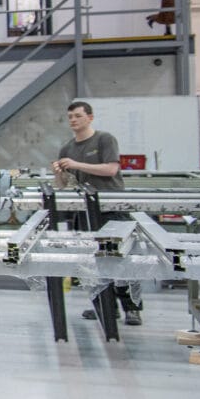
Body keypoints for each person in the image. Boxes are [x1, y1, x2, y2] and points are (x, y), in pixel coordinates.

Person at [52, 101, 141, 326]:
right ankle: (104, 306)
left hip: (112, 207)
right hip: (87, 210)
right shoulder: (67, 148)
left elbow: (111, 169)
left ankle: (132, 307)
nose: (73, 119)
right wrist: (58, 173)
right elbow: (61, 185)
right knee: (93, 260)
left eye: (78, 115)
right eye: (70, 116)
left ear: (90, 118)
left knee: (122, 257)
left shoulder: (104, 139)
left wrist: (76, 164)